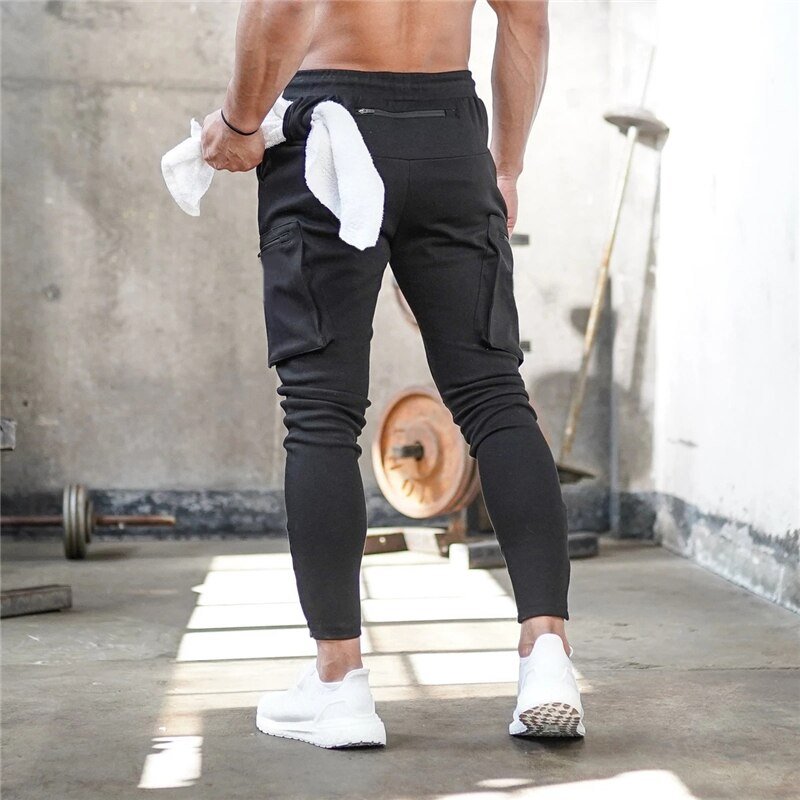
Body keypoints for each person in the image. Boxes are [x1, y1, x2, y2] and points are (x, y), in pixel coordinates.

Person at [201, 0, 584, 749]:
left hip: (330, 128)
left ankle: (340, 684)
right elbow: (527, 21)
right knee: (496, 397)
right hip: (450, 136)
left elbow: (285, 5)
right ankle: (547, 657)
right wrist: (505, 166)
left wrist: (240, 123)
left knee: (320, 412)